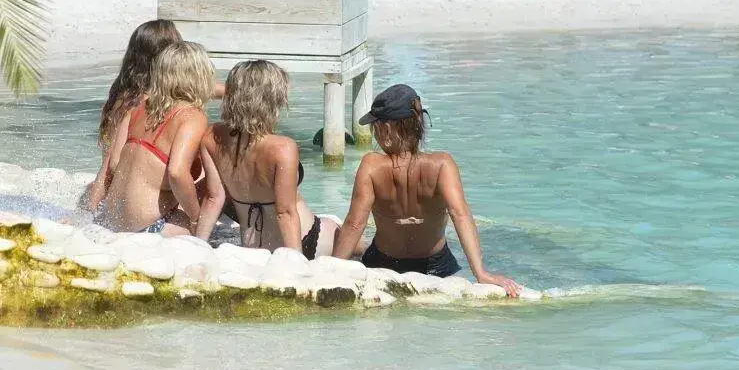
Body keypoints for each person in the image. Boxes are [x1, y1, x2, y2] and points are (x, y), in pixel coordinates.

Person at [329, 84, 522, 296]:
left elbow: (355, 224)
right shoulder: (442, 165)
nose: (374, 134)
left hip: (383, 262)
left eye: (375, 127)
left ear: (387, 129)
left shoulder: (371, 165)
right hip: (436, 266)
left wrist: (333, 270)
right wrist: (481, 273)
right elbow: (460, 215)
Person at [193, 60, 339, 258]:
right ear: (272, 100)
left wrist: (197, 246)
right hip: (302, 240)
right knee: (343, 235)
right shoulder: (283, 147)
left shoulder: (212, 137)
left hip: (252, 246)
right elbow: (285, 212)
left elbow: (213, 199)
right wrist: (296, 260)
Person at [95, 40, 214, 233]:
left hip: (110, 222)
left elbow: (115, 163)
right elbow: (176, 173)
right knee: (214, 181)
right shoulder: (192, 116)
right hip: (149, 229)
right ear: (200, 76)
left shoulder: (136, 107)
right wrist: (195, 217)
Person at [83, 19, 183, 212]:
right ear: (164, 56)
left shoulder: (125, 94)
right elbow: (111, 164)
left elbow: (204, 87)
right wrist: (89, 211)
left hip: (122, 190)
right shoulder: (137, 103)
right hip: (128, 198)